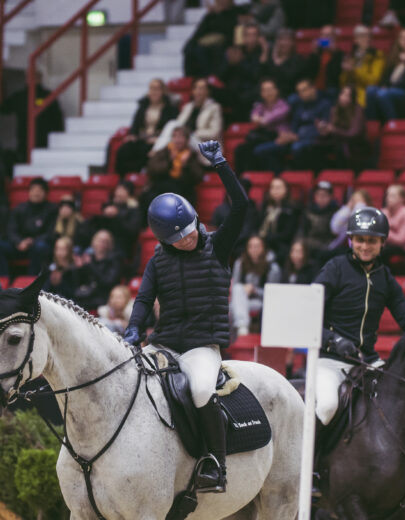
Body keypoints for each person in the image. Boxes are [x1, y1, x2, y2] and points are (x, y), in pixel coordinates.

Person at [124, 140, 248, 493]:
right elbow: (145, 298)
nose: (190, 237)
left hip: (201, 347)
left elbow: (240, 207)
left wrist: (221, 164)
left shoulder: (217, 247)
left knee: (199, 390)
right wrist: (134, 328)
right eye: (180, 237)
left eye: (192, 228)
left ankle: (216, 464)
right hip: (164, 343)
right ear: (164, 239)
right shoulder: (157, 261)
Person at [313, 207, 405, 427]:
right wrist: (335, 341)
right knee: (327, 406)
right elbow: (307, 313)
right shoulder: (335, 268)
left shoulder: (385, 278)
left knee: (401, 399)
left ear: (382, 243)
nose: (365, 246)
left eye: (372, 241)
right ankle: (310, 459)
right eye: (360, 240)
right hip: (329, 360)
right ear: (350, 240)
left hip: (368, 361)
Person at [251, 78, 330, 172]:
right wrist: (289, 136)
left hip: (314, 140)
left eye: (304, 90)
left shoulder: (325, 105)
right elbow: (294, 125)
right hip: (294, 139)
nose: (301, 94)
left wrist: (297, 136)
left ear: (313, 88)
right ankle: (278, 176)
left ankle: (303, 176)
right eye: (299, 91)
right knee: (260, 150)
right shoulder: (300, 106)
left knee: (297, 148)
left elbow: (324, 129)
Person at [0, 177, 56, 277]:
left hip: (37, 244)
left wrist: (32, 241)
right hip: (19, 245)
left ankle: (32, 281)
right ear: (29, 192)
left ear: (45, 193)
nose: (36, 193)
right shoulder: (19, 208)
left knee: (41, 247)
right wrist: (18, 241)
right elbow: (11, 230)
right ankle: (2, 280)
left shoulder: (52, 210)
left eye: (39, 190)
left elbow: (51, 232)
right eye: (33, 190)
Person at [114, 79, 178, 176]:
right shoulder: (143, 106)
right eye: (151, 89)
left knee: (146, 150)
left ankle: (140, 176)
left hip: (158, 140)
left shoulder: (170, 109)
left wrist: (158, 139)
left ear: (163, 91)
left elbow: (171, 128)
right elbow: (135, 124)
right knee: (123, 149)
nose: (154, 92)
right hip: (142, 138)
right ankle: (123, 178)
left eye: (157, 89)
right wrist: (132, 135)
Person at [365, 28, 405, 121]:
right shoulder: (394, 56)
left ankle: (394, 124)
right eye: (402, 38)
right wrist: (384, 85)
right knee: (370, 90)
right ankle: (373, 123)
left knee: (383, 94)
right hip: (391, 89)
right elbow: (385, 76)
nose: (404, 41)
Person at [233, 78, 290, 174]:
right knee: (240, 149)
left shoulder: (283, 105)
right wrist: (259, 119)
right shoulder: (261, 106)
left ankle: (276, 176)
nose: (268, 93)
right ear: (261, 93)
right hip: (265, 137)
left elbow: (268, 120)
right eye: (265, 90)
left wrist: (260, 119)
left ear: (277, 90)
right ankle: (241, 178)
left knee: (259, 150)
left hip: (280, 138)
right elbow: (253, 117)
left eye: (270, 89)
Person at [230, 235, 281, 336]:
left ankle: (242, 329)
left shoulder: (272, 267)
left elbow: (273, 294)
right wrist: (244, 289)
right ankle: (241, 329)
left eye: (257, 246)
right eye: (251, 246)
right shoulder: (240, 263)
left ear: (263, 248)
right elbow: (235, 288)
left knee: (234, 308)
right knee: (236, 292)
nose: (254, 249)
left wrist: (254, 290)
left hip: (261, 303)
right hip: (242, 300)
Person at [315, 85, 367, 170]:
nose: (344, 98)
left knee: (340, 148)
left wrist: (333, 130)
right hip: (337, 141)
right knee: (314, 146)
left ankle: (344, 175)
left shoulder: (358, 111)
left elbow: (353, 134)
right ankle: (322, 174)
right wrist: (324, 129)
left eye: (348, 95)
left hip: (355, 144)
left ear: (353, 98)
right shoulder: (334, 110)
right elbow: (332, 129)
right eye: (342, 94)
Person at [254, 176, 300, 263]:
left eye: (278, 188)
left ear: (286, 190)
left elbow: (287, 234)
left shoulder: (292, 209)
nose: (275, 190)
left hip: (280, 245)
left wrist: (267, 238)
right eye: (273, 187)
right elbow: (257, 227)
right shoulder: (264, 207)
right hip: (262, 243)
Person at [341, 25, 385, 107]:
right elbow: (343, 83)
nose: (367, 39)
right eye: (363, 36)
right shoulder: (351, 56)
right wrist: (346, 72)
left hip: (366, 93)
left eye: (369, 35)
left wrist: (354, 70)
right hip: (350, 93)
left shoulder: (377, 55)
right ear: (355, 39)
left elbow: (374, 81)